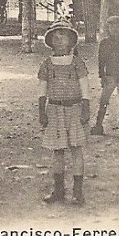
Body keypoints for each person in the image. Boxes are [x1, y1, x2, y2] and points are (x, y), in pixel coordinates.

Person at [37, 22, 91, 205]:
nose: (59, 40)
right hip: (54, 110)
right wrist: (41, 111)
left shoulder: (77, 63)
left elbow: (85, 87)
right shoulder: (47, 65)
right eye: (55, 36)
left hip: (74, 109)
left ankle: (78, 192)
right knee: (57, 150)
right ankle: (58, 190)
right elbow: (42, 90)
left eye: (64, 36)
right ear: (50, 41)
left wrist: (85, 108)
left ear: (71, 41)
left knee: (76, 149)